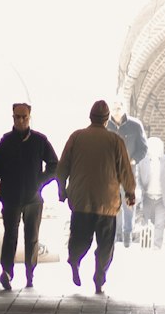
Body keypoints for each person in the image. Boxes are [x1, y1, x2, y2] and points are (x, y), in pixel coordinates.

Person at [57, 99, 136, 294]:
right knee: (106, 244)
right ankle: (99, 278)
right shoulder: (116, 141)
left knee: (80, 238)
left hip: (81, 200)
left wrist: (62, 189)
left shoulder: (76, 137)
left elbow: (62, 166)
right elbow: (125, 170)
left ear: (90, 117)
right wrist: (130, 192)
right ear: (107, 119)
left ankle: (74, 259)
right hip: (107, 202)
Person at [0, 102, 59, 291]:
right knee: (10, 236)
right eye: (17, 117)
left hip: (33, 198)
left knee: (32, 237)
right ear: (13, 118)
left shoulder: (40, 141)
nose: (21, 120)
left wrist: (39, 181)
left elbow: (54, 164)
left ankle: (30, 274)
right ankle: (7, 273)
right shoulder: (4, 143)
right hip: (11, 197)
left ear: (29, 117)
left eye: (24, 116)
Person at [108, 98, 147, 247]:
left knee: (129, 202)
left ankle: (127, 235)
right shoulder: (106, 126)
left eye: (118, 108)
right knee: (112, 203)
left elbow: (143, 148)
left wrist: (133, 160)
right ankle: (115, 234)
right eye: (113, 108)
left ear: (124, 108)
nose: (116, 112)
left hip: (129, 171)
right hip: (110, 172)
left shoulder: (135, 126)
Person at [134, 136, 165, 249]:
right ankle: (144, 242)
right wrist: (139, 190)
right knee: (145, 221)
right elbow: (138, 179)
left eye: (157, 147)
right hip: (147, 196)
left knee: (159, 222)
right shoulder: (142, 162)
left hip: (163, 197)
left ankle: (156, 245)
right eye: (152, 147)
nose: (154, 150)